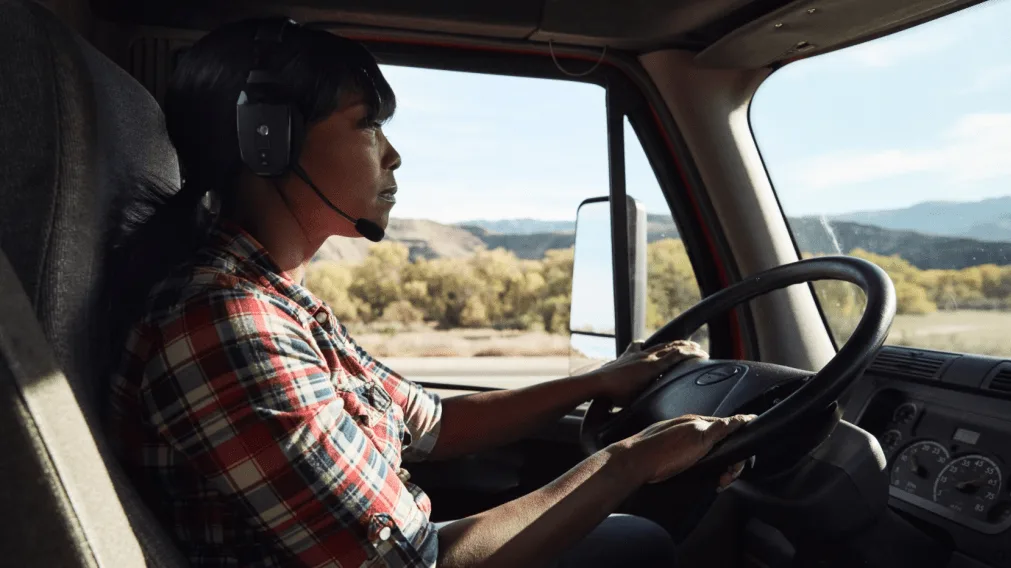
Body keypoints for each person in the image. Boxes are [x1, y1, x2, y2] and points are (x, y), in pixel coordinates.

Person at [106, 16, 754, 568]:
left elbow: (433, 423)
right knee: (640, 543)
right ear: (267, 140)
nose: (392, 157)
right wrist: (629, 464)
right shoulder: (228, 326)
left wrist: (598, 382)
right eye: (367, 126)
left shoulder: (274, 300)